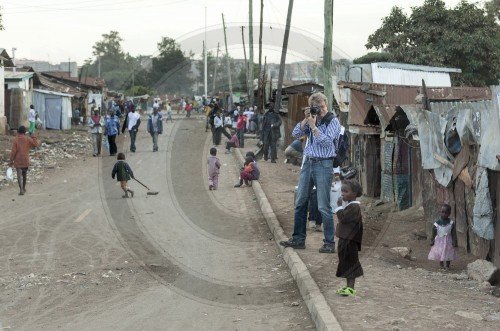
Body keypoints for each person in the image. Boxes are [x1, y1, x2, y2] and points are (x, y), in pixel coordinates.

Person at [279, 92, 341, 253]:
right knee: (300, 203)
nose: (320, 110)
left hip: (324, 164)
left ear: (326, 104)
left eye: (322, 106)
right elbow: (296, 134)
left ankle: (329, 243)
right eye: (317, 107)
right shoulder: (311, 119)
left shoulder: (332, 121)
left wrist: (314, 127)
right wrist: (307, 119)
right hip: (308, 163)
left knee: (323, 206)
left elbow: (327, 142)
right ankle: (298, 239)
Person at [334, 180, 364, 296]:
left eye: (346, 191)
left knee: (350, 263)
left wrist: (338, 208)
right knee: (345, 262)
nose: (343, 194)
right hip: (345, 239)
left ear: (355, 194)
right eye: (342, 191)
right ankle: (348, 287)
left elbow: (343, 219)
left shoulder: (354, 208)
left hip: (350, 241)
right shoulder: (350, 206)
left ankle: (351, 288)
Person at [8, 126, 39, 195]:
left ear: (18, 132)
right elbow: (36, 144)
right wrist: (33, 136)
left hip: (18, 160)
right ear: (25, 132)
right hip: (25, 159)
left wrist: (11, 162)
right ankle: (24, 188)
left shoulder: (15, 139)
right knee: (24, 174)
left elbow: (13, 152)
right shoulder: (27, 139)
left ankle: (21, 189)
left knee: (19, 175)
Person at [428, 204, 458, 270]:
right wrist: (432, 240)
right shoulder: (437, 223)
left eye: (446, 213)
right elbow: (434, 232)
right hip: (439, 241)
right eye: (442, 212)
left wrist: (454, 240)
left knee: (448, 252)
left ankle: (447, 265)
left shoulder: (451, 223)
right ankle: (441, 264)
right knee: (440, 252)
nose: (444, 214)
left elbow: (453, 233)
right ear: (440, 212)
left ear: (449, 214)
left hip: (448, 241)